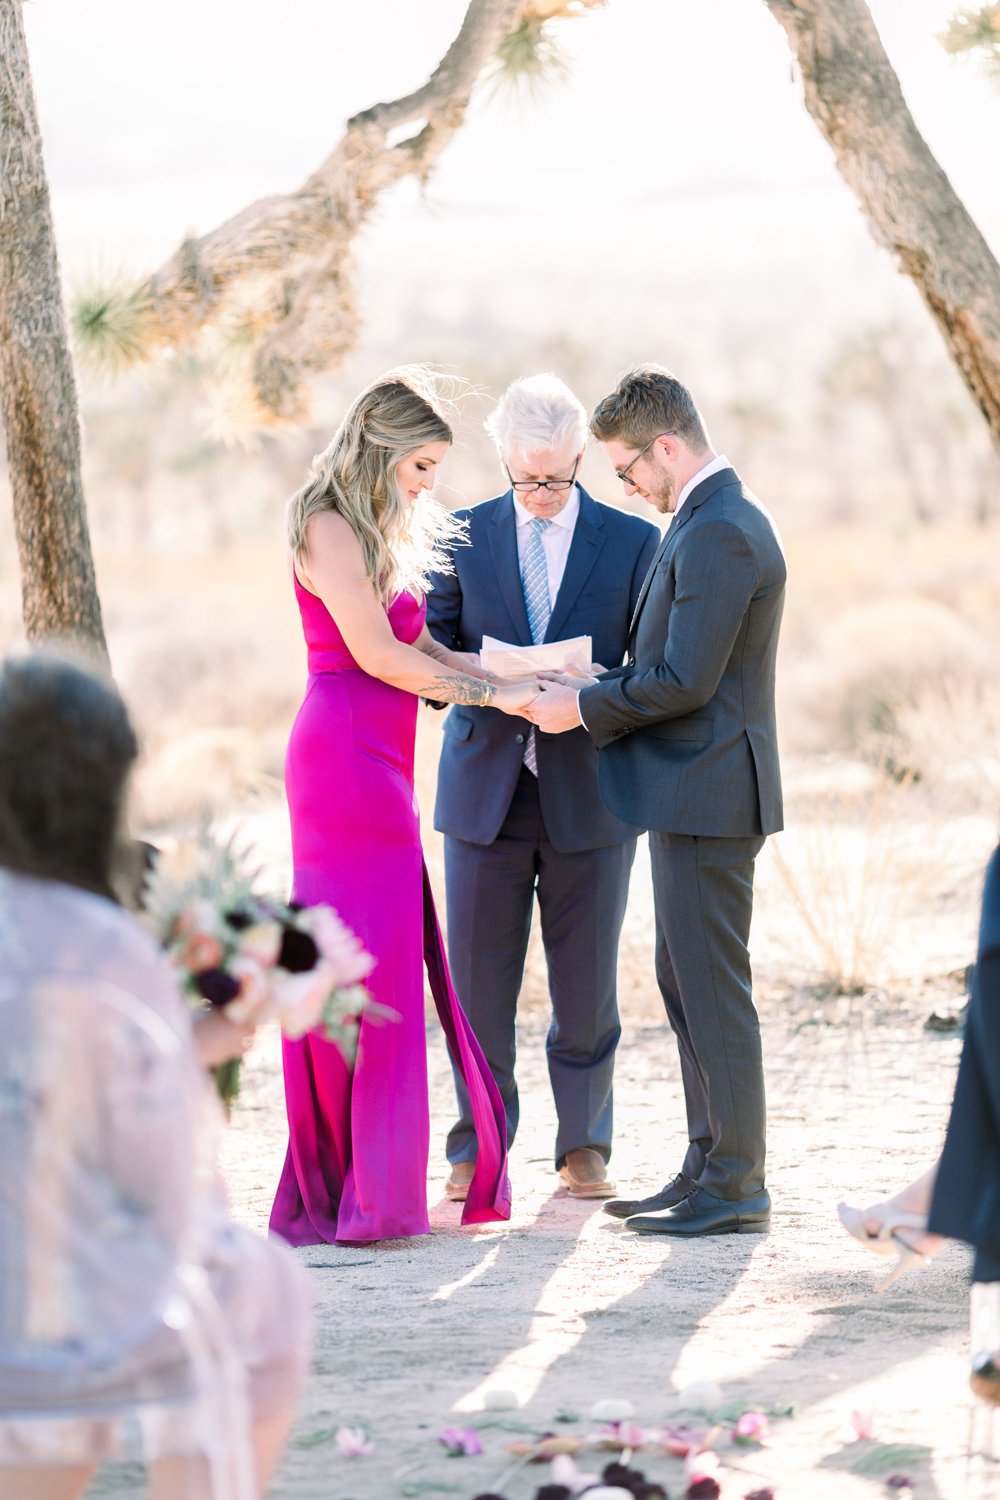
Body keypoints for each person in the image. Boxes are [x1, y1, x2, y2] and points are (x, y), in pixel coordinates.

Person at [0, 651, 311, 1500]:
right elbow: (158, 1173)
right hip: (48, 1319)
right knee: (260, 1292)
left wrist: (203, 1037)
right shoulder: (100, 942)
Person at [270, 367, 533, 1246]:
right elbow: (380, 656)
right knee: (364, 966)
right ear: (382, 448)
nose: (427, 485)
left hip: (383, 756)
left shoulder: (376, 528)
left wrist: (517, 676)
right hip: (343, 754)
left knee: (381, 958)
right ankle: (356, 1189)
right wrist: (488, 701)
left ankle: (374, 1184)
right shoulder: (326, 522)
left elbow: (421, 641)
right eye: (420, 466)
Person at [529, 364, 786, 1237]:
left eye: (627, 468)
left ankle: (738, 1184)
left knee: (713, 988)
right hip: (691, 790)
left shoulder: (721, 531)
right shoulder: (703, 522)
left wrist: (582, 708)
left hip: (713, 794)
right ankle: (707, 1164)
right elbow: (672, 666)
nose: (626, 486)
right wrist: (600, 677)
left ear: (666, 447)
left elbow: (686, 681)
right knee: (685, 981)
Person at [425, 374, 659, 1201]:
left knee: (586, 983)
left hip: (590, 790)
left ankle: (584, 1144)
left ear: (582, 458)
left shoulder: (634, 544)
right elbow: (429, 661)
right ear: (503, 460)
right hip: (484, 792)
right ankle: (476, 1144)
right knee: (478, 988)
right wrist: (494, 684)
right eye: (528, 480)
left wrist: (593, 692)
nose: (544, 495)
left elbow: (652, 668)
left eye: (559, 478)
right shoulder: (455, 537)